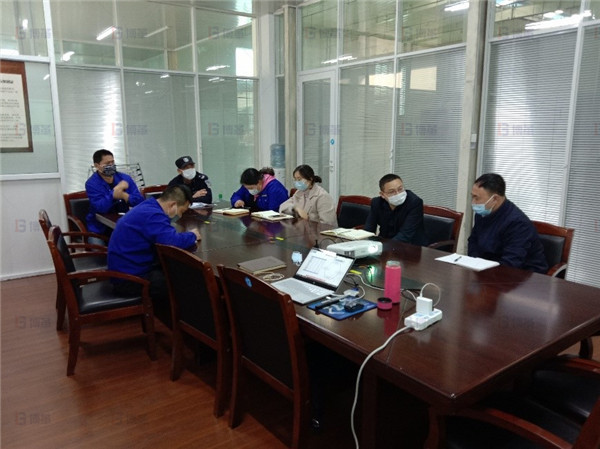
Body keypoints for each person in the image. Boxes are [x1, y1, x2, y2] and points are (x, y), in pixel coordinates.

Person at [107, 185, 201, 326]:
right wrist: (192, 235)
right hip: (129, 279)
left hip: (126, 269)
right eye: (182, 211)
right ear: (173, 205)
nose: (180, 216)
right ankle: (186, 327)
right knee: (185, 281)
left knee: (175, 272)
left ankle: (175, 320)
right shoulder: (153, 215)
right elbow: (172, 241)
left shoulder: (149, 206)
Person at [468, 173, 548, 273]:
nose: (473, 202)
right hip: (488, 270)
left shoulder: (518, 223)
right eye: (472, 197)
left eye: (477, 198)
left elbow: (511, 263)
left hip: (524, 275)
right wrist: (474, 263)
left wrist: (484, 271)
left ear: (495, 199)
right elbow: (473, 240)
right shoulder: (482, 214)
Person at [85, 149, 144, 239]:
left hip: (124, 224)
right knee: (96, 246)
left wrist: (126, 196)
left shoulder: (125, 178)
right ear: (97, 166)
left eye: (112, 162)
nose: (111, 165)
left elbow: (140, 202)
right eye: (107, 163)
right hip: (100, 228)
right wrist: (113, 194)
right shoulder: (91, 183)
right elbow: (100, 207)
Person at [364, 174, 428, 245]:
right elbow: (369, 229)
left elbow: (405, 235)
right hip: (385, 242)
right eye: (392, 191)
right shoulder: (377, 203)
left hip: (411, 246)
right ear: (382, 194)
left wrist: (383, 247)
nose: (397, 194)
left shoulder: (414, 202)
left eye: (400, 189)